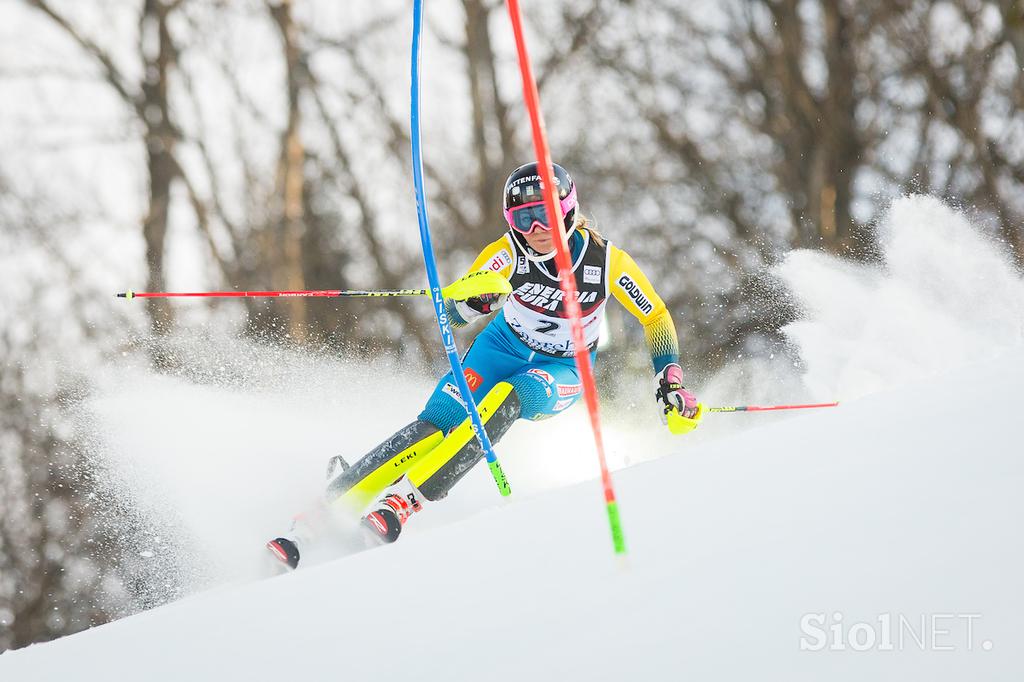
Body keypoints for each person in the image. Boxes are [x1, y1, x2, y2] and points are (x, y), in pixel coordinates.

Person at [267, 162, 699, 569]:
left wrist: (669, 379)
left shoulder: (605, 263)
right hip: (500, 347)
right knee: (438, 422)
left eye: (545, 215)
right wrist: (471, 302)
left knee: (508, 398)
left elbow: (655, 316)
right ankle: (321, 516)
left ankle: (404, 500)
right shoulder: (505, 254)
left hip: (564, 367)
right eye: (524, 218)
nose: (536, 230)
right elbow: (452, 315)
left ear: (568, 212)